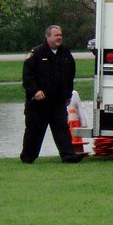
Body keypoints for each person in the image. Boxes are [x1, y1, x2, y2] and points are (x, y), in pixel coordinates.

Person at [20, 24, 80, 164]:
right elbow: (27, 76)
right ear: (48, 37)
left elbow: (70, 75)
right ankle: (27, 158)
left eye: (60, 35)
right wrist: (35, 91)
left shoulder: (65, 53)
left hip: (57, 101)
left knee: (62, 130)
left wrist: (67, 95)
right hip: (38, 102)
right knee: (34, 131)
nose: (59, 38)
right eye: (56, 35)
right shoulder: (36, 53)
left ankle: (68, 156)